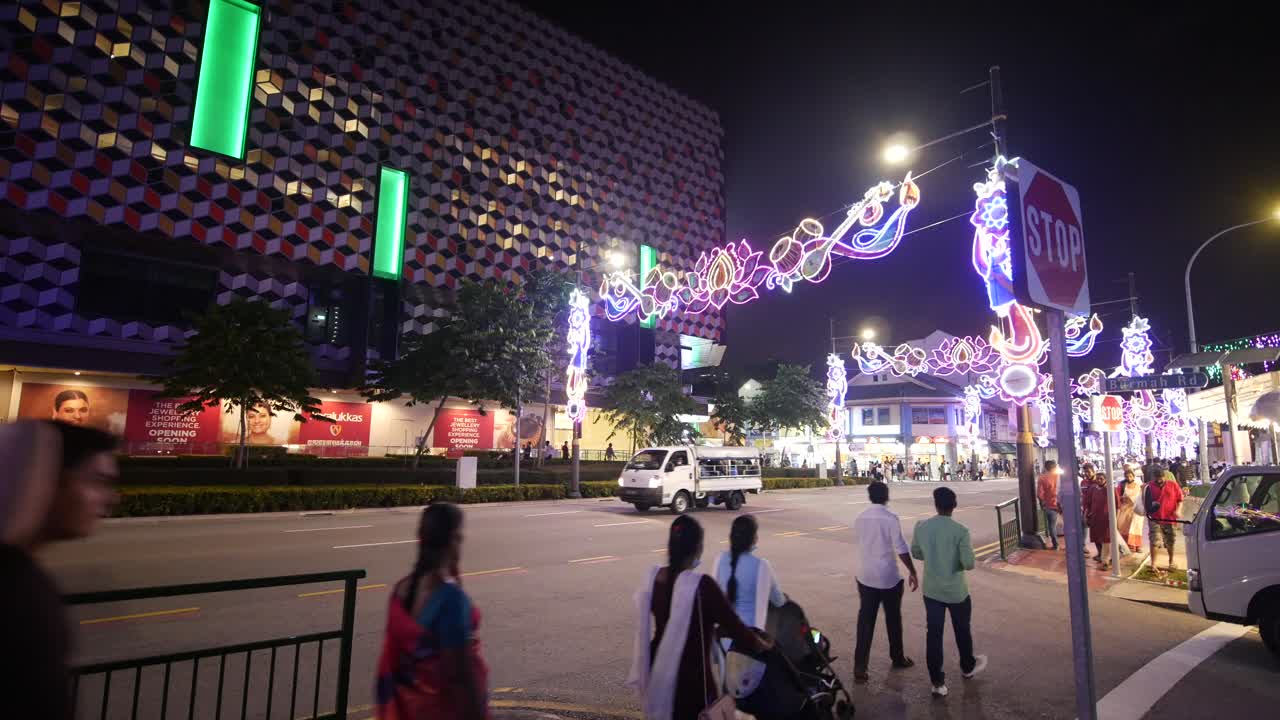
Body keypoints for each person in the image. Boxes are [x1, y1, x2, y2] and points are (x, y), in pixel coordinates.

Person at [0, 420, 120, 720]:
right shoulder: (17, 593)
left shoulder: (22, 578)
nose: (110, 499)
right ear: (45, 479)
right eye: (95, 481)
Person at [627, 515, 771, 719]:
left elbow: (674, 621)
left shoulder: (654, 578)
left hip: (658, 670)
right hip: (692, 680)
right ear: (697, 547)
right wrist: (763, 645)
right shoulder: (701, 586)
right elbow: (737, 629)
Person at [376, 503, 488, 719]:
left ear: (421, 537)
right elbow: (460, 677)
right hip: (442, 710)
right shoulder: (450, 599)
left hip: (408, 710)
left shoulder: (402, 590)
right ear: (454, 539)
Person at [911, 487, 987, 697]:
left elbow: (916, 552)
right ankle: (967, 667)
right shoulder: (961, 530)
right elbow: (969, 563)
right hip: (957, 592)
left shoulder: (922, 526)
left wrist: (934, 557)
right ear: (954, 506)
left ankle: (937, 682)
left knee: (933, 635)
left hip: (932, 590)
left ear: (936, 505)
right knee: (962, 630)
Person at [852, 481, 918, 683]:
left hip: (865, 576)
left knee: (865, 622)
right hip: (888, 577)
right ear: (886, 496)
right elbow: (900, 547)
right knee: (893, 620)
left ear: (870, 496)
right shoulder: (890, 518)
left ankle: (860, 667)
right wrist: (912, 570)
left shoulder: (860, 518)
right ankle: (897, 657)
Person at [713, 515, 785, 652]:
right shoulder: (761, 565)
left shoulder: (720, 559)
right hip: (750, 643)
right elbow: (778, 601)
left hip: (722, 642)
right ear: (753, 538)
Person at [1143, 465, 1184, 574]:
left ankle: (1171, 561)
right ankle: (1153, 564)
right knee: (1154, 540)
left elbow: (1180, 500)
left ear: (1164, 476)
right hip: (1154, 518)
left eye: (1161, 477)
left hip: (1170, 518)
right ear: (1153, 478)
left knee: (1170, 541)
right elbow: (1145, 502)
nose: (1159, 480)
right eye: (1157, 478)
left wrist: (1178, 510)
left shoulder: (1173, 485)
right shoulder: (1149, 486)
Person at [1081, 465, 1112, 570]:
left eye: (1089, 472)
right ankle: (1101, 555)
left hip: (1106, 518)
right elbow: (1088, 502)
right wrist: (1086, 514)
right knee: (1095, 536)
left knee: (1106, 539)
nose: (1087, 474)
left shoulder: (1109, 489)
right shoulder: (1088, 485)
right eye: (1085, 472)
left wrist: (1114, 518)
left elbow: (1116, 505)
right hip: (1094, 517)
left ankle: (1106, 560)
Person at [1116, 467, 1143, 553]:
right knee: (1124, 527)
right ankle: (1128, 545)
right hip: (1125, 509)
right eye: (1127, 476)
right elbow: (1117, 496)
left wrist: (1133, 500)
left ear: (1133, 476)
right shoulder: (1122, 485)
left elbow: (1141, 497)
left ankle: (1137, 546)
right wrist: (1123, 498)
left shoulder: (1138, 486)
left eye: (1130, 476)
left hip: (1136, 509)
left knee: (1136, 527)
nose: (1129, 478)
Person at [1036, 460, 1061, 550]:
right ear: (1055, 467)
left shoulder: (1042, 478)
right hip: (1062, 504)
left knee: (1052, 525)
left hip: (1050, 505)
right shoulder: (1060, 476)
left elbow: (1040, 494)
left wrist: (1042, 503)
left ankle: (1056, 544)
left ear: (1046, 467)